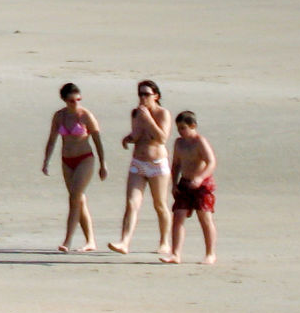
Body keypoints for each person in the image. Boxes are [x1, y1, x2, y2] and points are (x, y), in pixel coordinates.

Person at [108, 78, 175, 259]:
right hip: (138, 162)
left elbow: (161, 139)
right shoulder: (136, 113)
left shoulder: (163, 114)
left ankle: (164, 241)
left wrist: (148, 119)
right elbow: (138, 135)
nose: (142, 97)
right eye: (140, 94)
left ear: (156, 96)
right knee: (132, 203)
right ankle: (124, 242)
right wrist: (129, 138)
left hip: (157, 164)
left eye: (146, 94)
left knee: (160, 205)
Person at [41, 82, 106, 251]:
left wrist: (103, 164)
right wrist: (46, 161)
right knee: (78, 199)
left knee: (74, 197)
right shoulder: (59, 116)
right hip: (67, 161)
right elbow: (52, 139)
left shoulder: (86, 116)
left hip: (85, 159)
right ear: (64, 100)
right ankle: (90, 241)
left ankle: (68, 240)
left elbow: (98, 141)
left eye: (78, 99)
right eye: (71, 100)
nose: (75, 103)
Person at [168, 110, 218, 265]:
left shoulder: (200, 141)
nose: (181, 131)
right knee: (178, 216)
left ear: (193, 126)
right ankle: (175, 254)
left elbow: (211, 162)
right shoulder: (179, 143)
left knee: (204, 218)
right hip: (185, 183)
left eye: (183, 128)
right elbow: (176, 164)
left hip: (202, 185)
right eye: (178, 128)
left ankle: (210, 254)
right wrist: (174, 183)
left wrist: (200, 178)